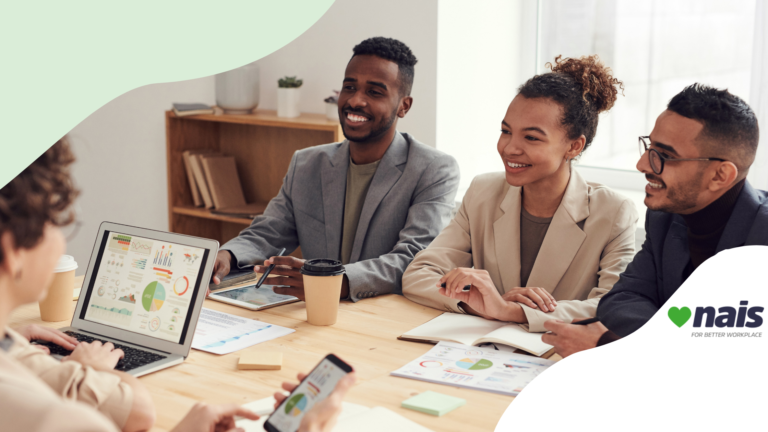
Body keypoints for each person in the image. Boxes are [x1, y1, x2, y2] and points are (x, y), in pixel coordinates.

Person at [0, 139, 354, 432]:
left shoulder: (12, 349)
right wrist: (87, 372)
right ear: (12, 250)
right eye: (57, 223)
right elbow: (138, 410)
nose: (61, 242)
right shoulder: (59, 420)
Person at [210, 36, 459, 302]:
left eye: (374, 92)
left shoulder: (434, 170)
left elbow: (413, 257)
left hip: (382, 317)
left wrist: (334, 283)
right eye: (349, 87)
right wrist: (227, 255)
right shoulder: (306, 164)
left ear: (403, 106)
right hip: (312, 315)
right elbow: (269, 230)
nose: (356, 101)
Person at [402, 55, 638, 332]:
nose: (509, 148)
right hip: (477, 353)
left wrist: (512, 311)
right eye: (505, 131)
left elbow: (613, 305)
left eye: (531, 137)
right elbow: (418, 274)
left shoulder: (613, 212)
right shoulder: (483, 192)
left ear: (574, 146)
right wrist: (476, 303)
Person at [542, 83, 765, 357]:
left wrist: (613, 346)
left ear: (720, 176)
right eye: (650, 147)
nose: (643, 165)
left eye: (666, 156)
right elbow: (621, 299)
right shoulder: (664, 217)